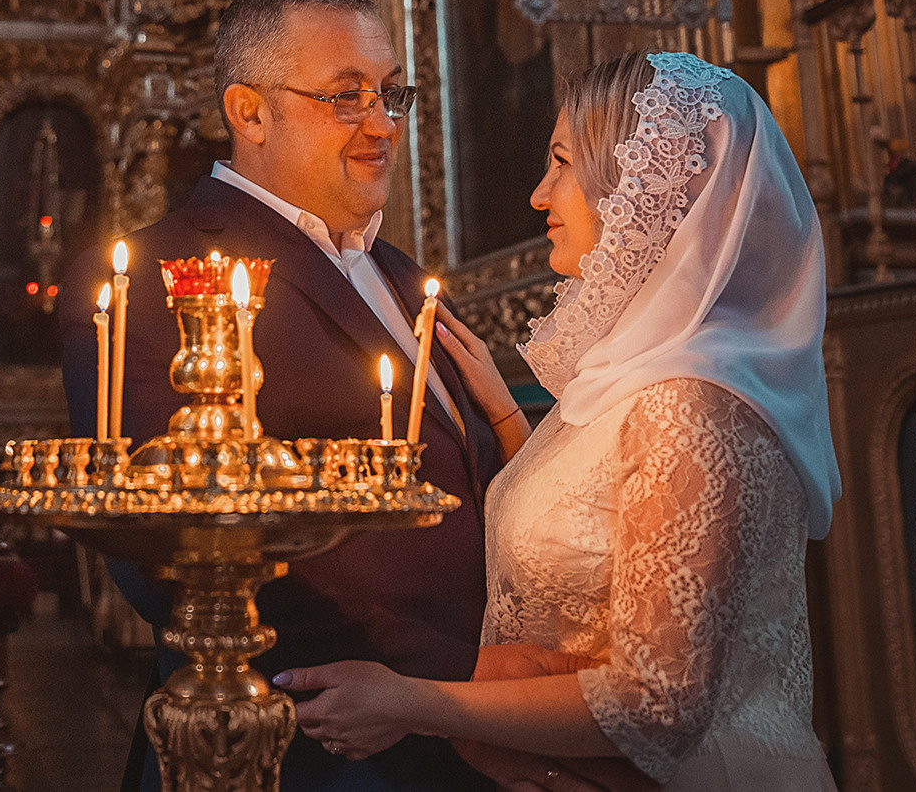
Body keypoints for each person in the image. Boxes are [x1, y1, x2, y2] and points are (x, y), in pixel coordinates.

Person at [278, 50, 844, 792]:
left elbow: (658, 703)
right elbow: (601, 522)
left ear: (645, 188)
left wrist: (416, 699)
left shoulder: (690, 402)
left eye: (563, 162)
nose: (542, 193)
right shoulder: (638, 378)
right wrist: (507, 415)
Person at [58, 0, 510, 792]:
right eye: (346, 97)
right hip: (304, 748)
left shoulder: (406, 279)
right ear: (250, 111)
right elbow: (173, 549)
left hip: (464, 737)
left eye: (391, 92)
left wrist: (493, 695)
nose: (381, 123)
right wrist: (461, 681)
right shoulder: (152, 278)